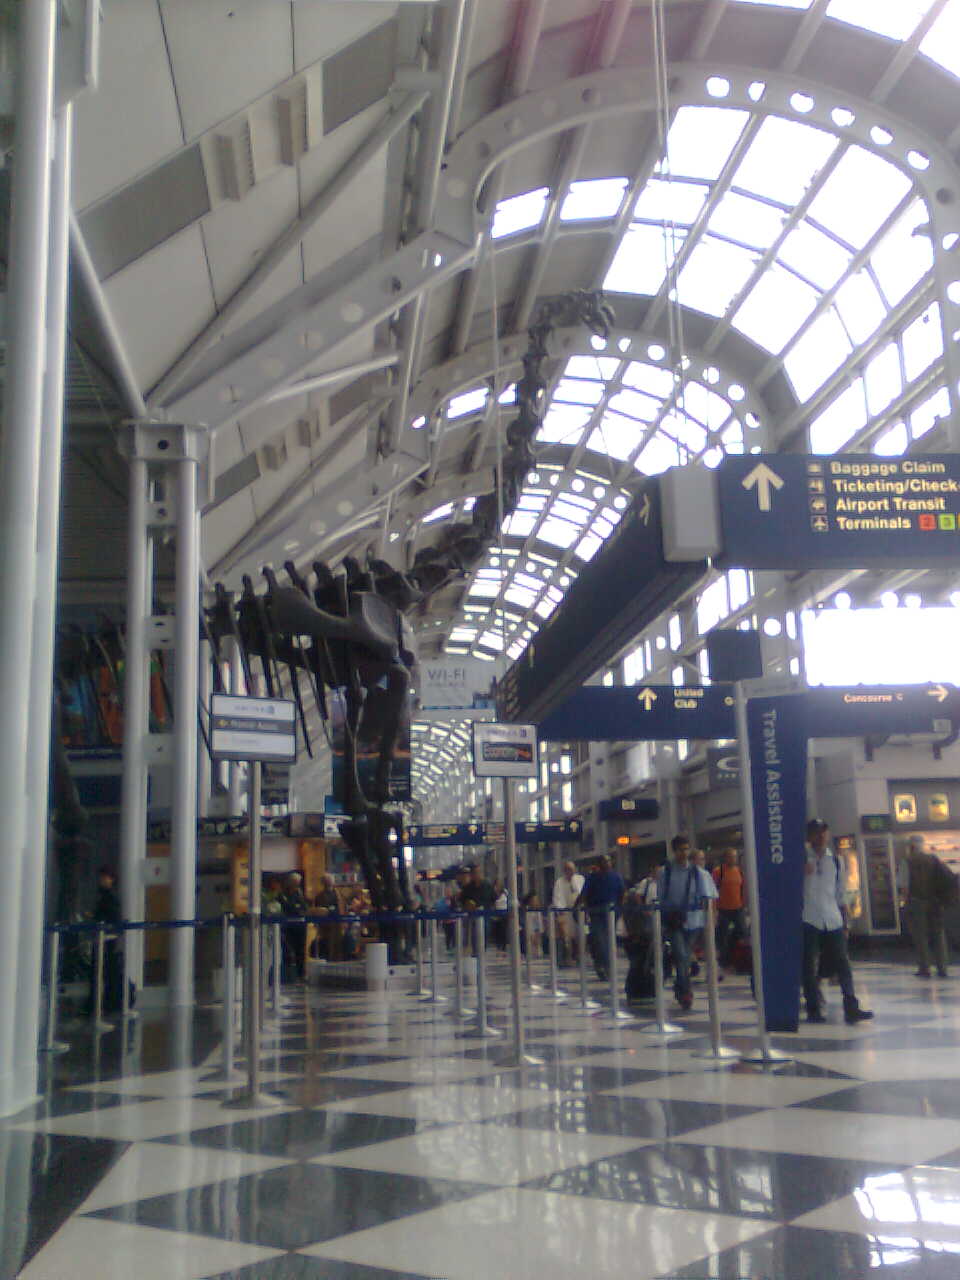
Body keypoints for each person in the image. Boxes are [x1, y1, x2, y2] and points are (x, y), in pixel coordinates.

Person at [803, 819, 873, 1025]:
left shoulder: (835, 860)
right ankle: (813, 1009)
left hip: (832, 917)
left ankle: (851, 1006)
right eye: (816, 833)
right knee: (808, 965)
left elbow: (840, 891)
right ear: (809, 836)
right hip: (808, 918)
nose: (820, 837)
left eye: (823, 832)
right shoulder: (800, 859)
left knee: (843, 962)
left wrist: (845, 920)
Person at [657, 836, 717, 1010]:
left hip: (694, 921)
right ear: (674, 851)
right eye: (680, 849)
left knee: (684, 956)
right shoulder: (665, 872)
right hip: (674, 921)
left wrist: (710, 918)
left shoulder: (698, 873)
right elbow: (661, 897)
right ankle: (685, 991)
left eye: (686, 849)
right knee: (682, 955)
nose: (684, 853)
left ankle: (681, 986)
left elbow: (708, 897)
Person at [903, 834, 950, 978]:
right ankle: (942, 968)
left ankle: (924, 968)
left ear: (911, 846)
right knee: (938, 934)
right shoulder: (933, 859)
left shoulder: (907, 862)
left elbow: (904, 886)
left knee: (920, 936)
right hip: (935, 902)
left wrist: (906, 903)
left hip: (917, 902)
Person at [575, 854, 625, 981]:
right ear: (599, 864)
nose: (607, 864)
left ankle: (606, 966)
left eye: (608, 861)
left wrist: (620, 910)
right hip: (596, 914)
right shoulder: (592, 878)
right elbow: (584, 895)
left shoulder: (616, 877)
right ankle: (603, 965)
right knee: (599, 940)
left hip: (611, 914)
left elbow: (621, 894)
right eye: (604, 861)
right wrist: (579, 908)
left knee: (608, 941)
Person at [88, 866, 124, 1014]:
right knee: (103, 973)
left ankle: (100, 1005)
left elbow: (110, 918)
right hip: (104, 940)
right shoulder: (105, 897)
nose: (102, 880)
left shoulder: (109, 898)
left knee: (102, 973)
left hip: (106, 941)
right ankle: (102, 1005)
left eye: (105, 877)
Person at [713, 848, 746, 973]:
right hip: (723, 909)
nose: (734, 859)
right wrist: (714, 910)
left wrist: (744, 904)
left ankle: (733, 957)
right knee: (722, 936)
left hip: (738, 908)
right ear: (726, 858)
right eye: (731, 856)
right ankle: (724, 961)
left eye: (735, 856)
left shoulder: (739, 871)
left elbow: (742, 888)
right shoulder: (718, 872)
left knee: (741, 932)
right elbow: (713, 890)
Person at [552, 860, 585, 966]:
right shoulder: (559, 882)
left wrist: (573, 882)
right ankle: (567, 958)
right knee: (566, 937)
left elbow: (581, 893)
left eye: (572, 869)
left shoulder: (580, 879)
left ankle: (579, 956)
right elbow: (558, 898)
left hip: (578, 912)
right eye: (568, 869)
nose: (570, 871)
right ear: (564, 870)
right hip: (566, 913)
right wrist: (561, 912)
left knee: (579, 936)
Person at [279, 872, 309, 981]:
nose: (297, 886)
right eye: (295, 883)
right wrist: (297, 909)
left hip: (300, 927)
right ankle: (288, 976)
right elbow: (287, 907)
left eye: (298, 883)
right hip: (288, 927)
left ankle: (301, 975)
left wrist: (300, 909)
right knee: (287, 951)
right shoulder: (282, 895)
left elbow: (304, 907)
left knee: (300, 951)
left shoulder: (299, 894)